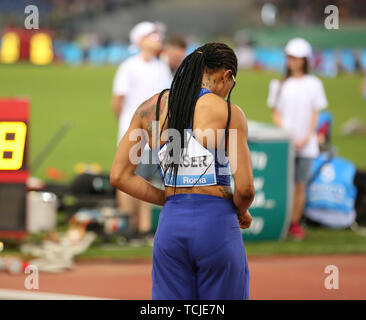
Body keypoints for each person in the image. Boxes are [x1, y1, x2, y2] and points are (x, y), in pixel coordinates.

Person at [110, 42, 255, 299]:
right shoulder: (228, 112)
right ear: (227, 75)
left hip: (171, 227)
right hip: (217, 225)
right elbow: (244, 189)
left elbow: (119, 176)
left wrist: (168, 197)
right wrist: (242, 210)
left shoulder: (150, 108)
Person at [111, 21, 172, 241]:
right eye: (152, 36)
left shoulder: (162, 67)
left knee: (147, 178)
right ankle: (127, 224)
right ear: (139, 40)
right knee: (126, 175)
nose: (157, 39)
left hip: (155, 133)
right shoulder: (129, 66)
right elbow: (118, 101)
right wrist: (128, 128)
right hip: (133, 132)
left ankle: (145, 228)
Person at [267, 37, 328, 240]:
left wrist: (306, 136)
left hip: (306, 143)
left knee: (300, 184)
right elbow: (275, 113)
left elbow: (315, 113)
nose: (294, 62)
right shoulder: (279, 84)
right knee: (284, 185)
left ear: (305, 60)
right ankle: (281, 223)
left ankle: (294, 223)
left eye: (298, 58)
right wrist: (287, 135)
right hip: (286, 143)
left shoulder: (314, 83)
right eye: (291, 58)